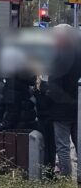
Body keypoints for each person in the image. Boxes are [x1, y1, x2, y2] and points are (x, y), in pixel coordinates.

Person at [38, 25, 81, 179]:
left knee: (62, 147)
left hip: (61, 111)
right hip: (78, 108)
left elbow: (54, 86)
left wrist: (44, 89)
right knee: (79, 144)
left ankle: (65, 178)